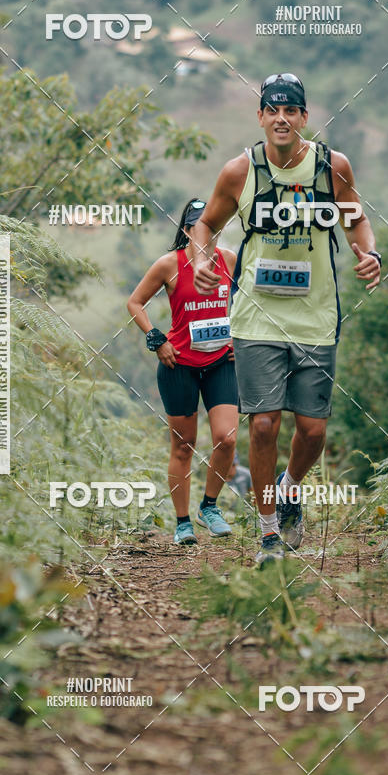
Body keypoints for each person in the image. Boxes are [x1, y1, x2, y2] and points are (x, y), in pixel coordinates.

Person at [191, 73, 381, 566]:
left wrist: (369, 253)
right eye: (272, 110)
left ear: (304, 117)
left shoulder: (332, 167)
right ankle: (270, 535)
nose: (281, 119)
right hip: (256, 316)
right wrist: (202, 260)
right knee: (263, 425)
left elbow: (357, 219)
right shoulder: (240, 171)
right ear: (259, 117)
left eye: (291, 110)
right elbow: (205, 224)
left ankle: (289, 487)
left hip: (315, 316)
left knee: (313, 431)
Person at [127, 198, 239, 545]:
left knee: (227, 438)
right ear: (188, 231)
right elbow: (135, 302)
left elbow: (250, 298)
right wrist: (156, 339)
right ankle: (182, 523)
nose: (209, 234)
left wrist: (242, 338)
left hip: (221, 362)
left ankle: (209, 507)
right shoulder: (169, 264)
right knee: (183, 446)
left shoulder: (229, 260)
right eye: (201, 228)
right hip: (179, 365)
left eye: (214, 228)